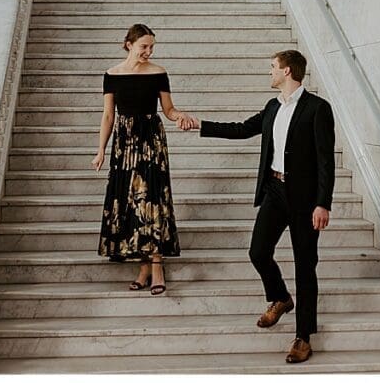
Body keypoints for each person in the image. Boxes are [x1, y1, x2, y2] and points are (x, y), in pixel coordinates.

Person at [180, 49, 335, 364]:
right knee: (258, 251)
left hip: (305, 200)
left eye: (273, 68)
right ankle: (280, 297)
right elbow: (241, 129)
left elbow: (325, 161)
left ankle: (303, 337)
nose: (270, 73)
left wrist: (323, 203)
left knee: (305, 266)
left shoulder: (317, 109)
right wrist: (200, 124)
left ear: (288, 71)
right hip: (275, 190)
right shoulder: (272, 107)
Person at [91, 24, 194, 295]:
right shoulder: (112, 75)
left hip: (151, 141)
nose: (148, 51)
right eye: (143, 46)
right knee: (130, 202)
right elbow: (108, 116)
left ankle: (157, 266)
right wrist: (101, 149)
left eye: (151, 47)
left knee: (152, 201)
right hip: (123, 144)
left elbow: (168, 110)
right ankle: (144, 267)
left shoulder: (158, 73)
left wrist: (181, 116)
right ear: (129, 45)